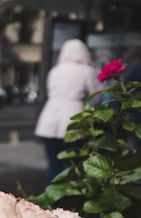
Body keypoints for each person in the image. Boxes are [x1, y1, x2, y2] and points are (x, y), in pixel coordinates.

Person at [34, 39, 101, 183]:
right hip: (74, 119)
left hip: (49, 118)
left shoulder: (55, 71)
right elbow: (96, 97)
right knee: (75, 166)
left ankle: (53, 200)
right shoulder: (86, 71)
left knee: (54, 166)